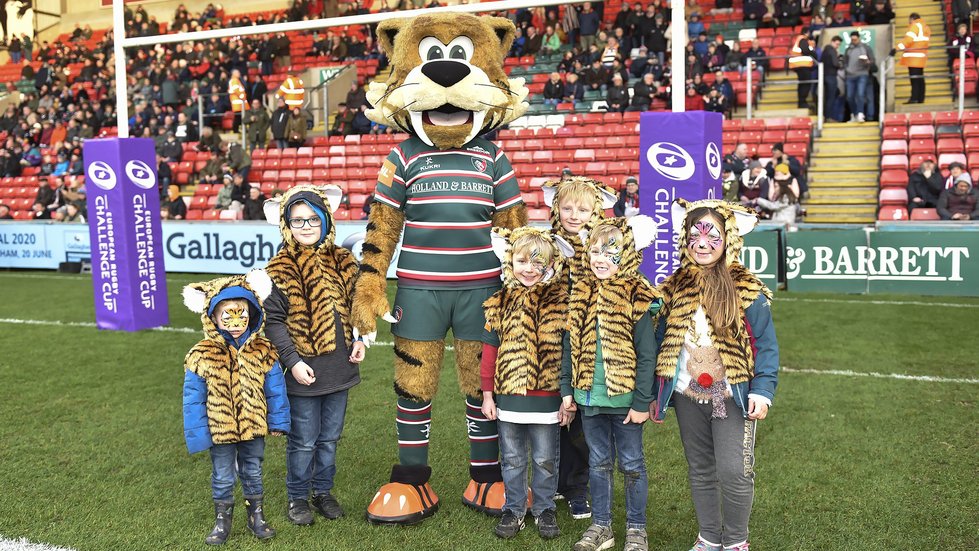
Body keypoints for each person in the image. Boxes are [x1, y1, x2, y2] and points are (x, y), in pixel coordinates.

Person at [652, 198, 779, 551]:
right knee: (701, 468)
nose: (703, 244)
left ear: (729, 239)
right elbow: (661, 341)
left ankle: (736, 540)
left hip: (732, 396)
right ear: (684, 240)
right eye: (695, 236)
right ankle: (709, 536)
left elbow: (765, 344)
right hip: (687, 394)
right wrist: (654, 392)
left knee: (734, 471)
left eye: (713, 235)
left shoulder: (745, 287)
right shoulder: (674, 286)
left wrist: (762, 390)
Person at [263, 185, 366, 526]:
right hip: (304, 372)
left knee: (329, 437)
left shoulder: (343, 259)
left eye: (312, 219)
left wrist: (360, 338)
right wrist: (292, 362)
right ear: (287, 225)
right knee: (304, 440)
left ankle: (322, 491)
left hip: (340, 368)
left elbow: (358, 304)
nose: (306, 226)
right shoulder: (278, 267)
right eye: (297, 220)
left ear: (325, 219)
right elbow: (273, 321)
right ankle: (297, 497)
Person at [562, 218, 660, 551]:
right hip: (589, 398)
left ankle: (636, 529)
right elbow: (569, 346)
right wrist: (568, 392)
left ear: (627, 256)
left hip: (626, 401)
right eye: (596, 251)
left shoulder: (635, 295)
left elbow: (648, 354)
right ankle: (601, 526)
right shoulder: (580, 294)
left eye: (611, 252)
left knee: (632, 463)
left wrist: (641, 401)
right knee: (598, 462)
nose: (601, 258)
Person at [181, 271, 291, 545]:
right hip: (221, 431)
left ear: (252, 314)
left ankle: (257, 516)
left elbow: (276, 389)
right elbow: (193, 398)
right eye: (226, 317)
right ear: (212, 318)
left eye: (241, 315)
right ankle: (222, 521)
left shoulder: (264, 349)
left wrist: (278, 421)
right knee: (222, 474)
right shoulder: (201, 354)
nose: (235, 323)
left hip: (254, 426)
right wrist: (199, 434)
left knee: (252, 469)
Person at [481, 228, 570, 540]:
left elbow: (568, 353)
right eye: (522, 260)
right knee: (513, 458)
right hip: (509, 396)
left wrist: (565, 397)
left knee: (546, 458)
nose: (529, 268)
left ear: (551, 264)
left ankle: (544, 508)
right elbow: (489, 350)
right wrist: (488, 394)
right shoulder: (499, 302)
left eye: (538, 262)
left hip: (548, 398)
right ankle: (515, 509)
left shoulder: (562, 301)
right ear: (510, 261)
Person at [543, 176, 618, 522]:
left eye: (583, 209)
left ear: (596, 211)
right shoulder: (546, 244)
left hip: (586, 345)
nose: (574, 215)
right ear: (555, 207)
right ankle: (555, 482)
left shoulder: (601, 249)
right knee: (553, 417)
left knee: (581, 423)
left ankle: (577, 488)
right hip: (547, 343)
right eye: (567, 207)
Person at [892, 14, 930, 104]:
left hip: (913, 57)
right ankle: (920, 98)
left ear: (912, 19)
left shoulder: (915, 26)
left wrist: (896, 48)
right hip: (921, 56)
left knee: (914, 79)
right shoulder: (925, 27)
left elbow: (908, 40)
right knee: (920, 78)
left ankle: (914, 98)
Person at [843, 31, 875, 122]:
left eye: (855, 39)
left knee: (860, 94)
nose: (854, 41)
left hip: (862, 73)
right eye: (852, 40)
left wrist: (867, 62)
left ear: (859, 38)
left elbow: (872, 60)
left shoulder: (866, 48)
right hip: (850, 75)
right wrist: (846, 69)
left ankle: (860, 113)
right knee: (849, 96)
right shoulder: (848, 49)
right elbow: (845, 61)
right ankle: (854, 114)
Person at [789, 29, 815, 109]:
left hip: (799, 65)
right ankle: (802, 102)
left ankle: (802, 102)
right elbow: (805, 50)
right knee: (806, 84)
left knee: (803, 84)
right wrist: (814, 54)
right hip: (802, 65)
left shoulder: (799, 39)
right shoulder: (803, 40)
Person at [821, 36, 843, 122]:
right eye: (837, 44)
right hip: (831, 76)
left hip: (825, 75)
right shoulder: (832, 50)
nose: (838, 46)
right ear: (833, 42)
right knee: (831, 97)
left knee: (827, 97)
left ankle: (825, 116)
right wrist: (840, 64)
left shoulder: (825, 50)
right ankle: (829, 117)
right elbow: (835, 63)